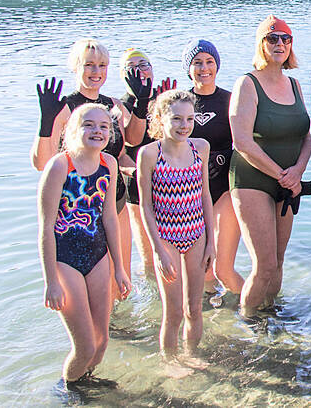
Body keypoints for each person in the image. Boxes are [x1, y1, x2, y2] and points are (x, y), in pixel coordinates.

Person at [32, 39, 150, 295]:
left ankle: (122, 332)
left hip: (114, 201)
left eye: (102, 65)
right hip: (78, 211)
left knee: (122, 280)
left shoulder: (114, 106)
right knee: (89, 288)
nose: (96, 72)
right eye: (89, 65)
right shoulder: (63, 107)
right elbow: (43, 163)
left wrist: (140, 105)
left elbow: (128, 147)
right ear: (76, 67)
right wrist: (46, 122)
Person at [38, 103, 131, 389]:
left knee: (102, 342)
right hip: (65, 260)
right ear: (73, 130)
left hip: (98, 255)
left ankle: (84, 382)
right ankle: (67, 389)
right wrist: (51, 281)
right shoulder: (59, 166)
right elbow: (45, 228)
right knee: (85, 346)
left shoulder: (109, 164)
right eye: (88, 124)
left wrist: (120, 269)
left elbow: (109, 219)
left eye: (104, 126)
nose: (97, 131)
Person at [229, 16, 311, 317]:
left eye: (285, 39)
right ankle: (249, 324)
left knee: (278, 260)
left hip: (289, 181)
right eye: (272, 39)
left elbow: (306, 137)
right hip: (253, 180)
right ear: (261, 44)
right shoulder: (247, 84)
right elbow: (242, 142)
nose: (279, 44)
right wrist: (282, 175)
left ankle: (270, 317)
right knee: (263, 266)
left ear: (291, 46)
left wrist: (298, 173)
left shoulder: (295, 84)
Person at [137, 90, 215, 359]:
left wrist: (211, 244)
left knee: (194, 308)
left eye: (190, 119)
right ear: (160, 119)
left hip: (196, 235)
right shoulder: (149, 154)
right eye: (177, 119)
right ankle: (170, 362)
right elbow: (146, 206)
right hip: (166, 238)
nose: (184, 126)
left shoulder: (200, 148)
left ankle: (193, 357)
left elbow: (205, 195)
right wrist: (157, 250)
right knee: (173, 312)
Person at [184, 39, 244, 299]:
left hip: (225, 188)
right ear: (189, 68)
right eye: (197, 62)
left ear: (217, 66)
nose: (204, 68)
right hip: (191, 191)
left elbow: (247, 142)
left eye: (209, 62)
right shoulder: (181, 103)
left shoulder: (230, 100)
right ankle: (214, 319)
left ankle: (259, 310)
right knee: (203, 270)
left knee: (223, 268)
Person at [119, 49, 176, 281]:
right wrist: (140, 103)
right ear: (123, 75)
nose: (139, 70)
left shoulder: (163, 98)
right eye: (131, 67)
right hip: (136, 184)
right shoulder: (122, 104)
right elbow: (130, 140)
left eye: (143, 64)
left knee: (171, 248)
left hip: (167, 182)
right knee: (149, 257)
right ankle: (153, 306)